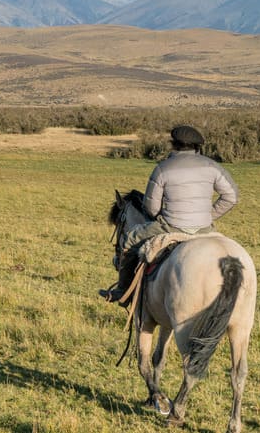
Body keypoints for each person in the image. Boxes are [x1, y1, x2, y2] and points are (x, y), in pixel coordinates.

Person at [100, 124, 239, 302]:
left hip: (170, 225)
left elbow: (151, 208)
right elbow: (231, 197)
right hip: (205, 228)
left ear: (173, 144)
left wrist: (165, 216)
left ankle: (123, 292)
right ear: (197, 146)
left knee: (130, 240)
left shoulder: (163, 168)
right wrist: (208, 216)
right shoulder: (213, 166)